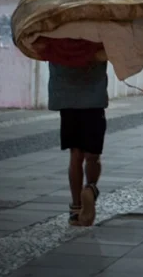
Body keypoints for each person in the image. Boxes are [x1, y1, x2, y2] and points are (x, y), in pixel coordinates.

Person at [43, 40, 109, 227]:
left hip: (67, 100)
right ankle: (91, 188)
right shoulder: (97, 36)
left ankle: (76, 209)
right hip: (94, 101)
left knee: (75, 155)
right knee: (92, 156)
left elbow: (40, 51)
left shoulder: (57, 39)